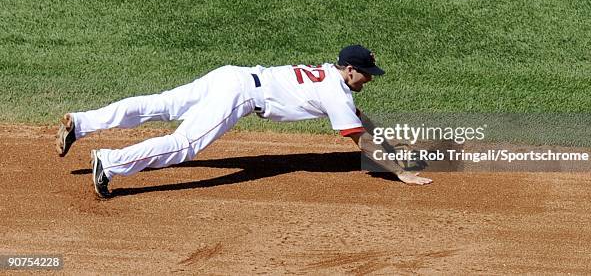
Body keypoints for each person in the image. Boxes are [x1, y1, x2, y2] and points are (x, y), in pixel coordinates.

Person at [56, 45, 432, 198]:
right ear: (350, 70)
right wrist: (399, 170)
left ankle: (82, 121)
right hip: (238, 96)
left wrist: (390, 139)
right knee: (186, 144)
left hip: (231, 76)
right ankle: (110, 161)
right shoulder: (337, 93)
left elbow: (360, 121)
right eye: (366, 73)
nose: (370, 78)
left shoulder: (330, 78)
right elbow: (357, 138)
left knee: (161, 104)